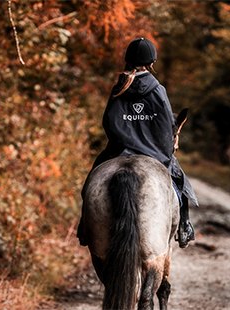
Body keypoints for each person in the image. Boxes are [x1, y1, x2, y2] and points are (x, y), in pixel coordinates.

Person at [77, 37, 197, 248]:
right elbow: (166, 125)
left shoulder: (120, 87)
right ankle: (184, 225)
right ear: (151, 62)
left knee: (92, 178)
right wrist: (162, 150)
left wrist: (123, 141)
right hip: (152, 153)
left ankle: (84, 226)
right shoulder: (158, 89)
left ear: (128, 59)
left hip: (119, 150)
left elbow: (109, 121)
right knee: (179, 181)